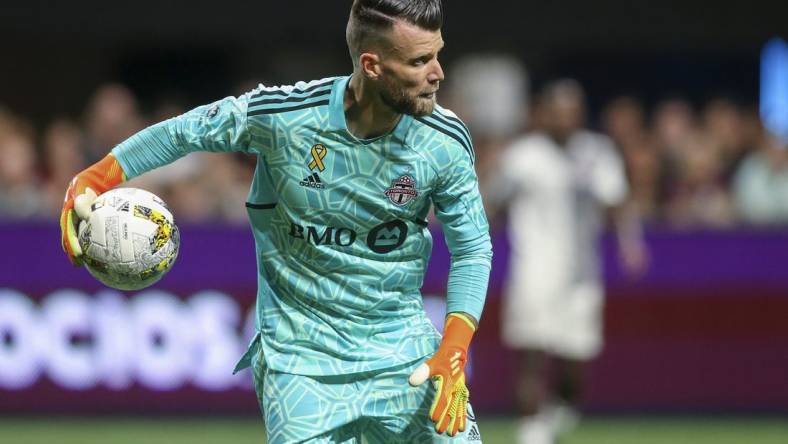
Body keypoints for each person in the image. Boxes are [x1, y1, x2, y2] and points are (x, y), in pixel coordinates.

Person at [59, 0, 491, 442]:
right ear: (372, 65)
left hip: (406, 354)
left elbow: (473, 248)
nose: (437, 72)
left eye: (437, 54)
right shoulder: (286, 117)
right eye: (419, 61)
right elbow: (183, 132)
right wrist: (95, 177)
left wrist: (454, 348)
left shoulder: (445, 140)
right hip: (299, 363)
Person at [485, 80, 646, 444]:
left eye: (572, 113)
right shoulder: (523, 156)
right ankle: (530, 432)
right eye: (558, 112)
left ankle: (553, 421)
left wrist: (630, 244)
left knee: (576, 364)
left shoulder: (597, 152)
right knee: (531, 353)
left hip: (582, 274)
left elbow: (617, 201)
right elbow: (493, 203)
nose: (565, 120)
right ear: (545, 114)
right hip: (534, 269)